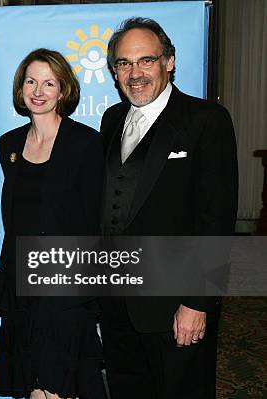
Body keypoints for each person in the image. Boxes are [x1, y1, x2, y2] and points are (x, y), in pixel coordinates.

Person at [99, 17, 238, 399]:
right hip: (117, 305)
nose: (135, 73)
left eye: (146, 60)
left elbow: (216, 218)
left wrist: (197, 301)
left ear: (169, 61)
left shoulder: (206, 120)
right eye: (124, 64)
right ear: (114, 72)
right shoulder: (111, 120)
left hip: (176, 305)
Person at [0, 48, 107, 399]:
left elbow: (95, 220)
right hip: (21, 287)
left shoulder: (86, 143)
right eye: (31, 81)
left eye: (48, 83)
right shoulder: (8, 144)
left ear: (63, 90)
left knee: (58, 387)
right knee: (32, 387)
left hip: (65, 289)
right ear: (21, 88)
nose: (38, 91)